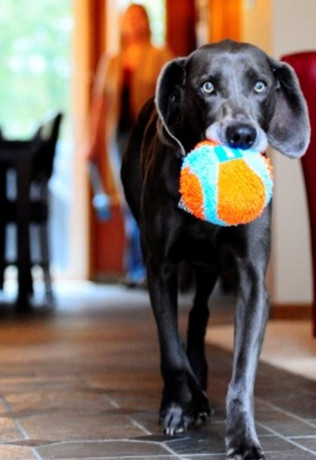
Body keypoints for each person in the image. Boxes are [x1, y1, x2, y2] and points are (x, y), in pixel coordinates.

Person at [87, 3, 174, 287]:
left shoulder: (161, 55)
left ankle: (154, 266)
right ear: (123, 24)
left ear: (147, 23)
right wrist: (91, 142)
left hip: (151, 136)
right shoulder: (111, 61)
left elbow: (175, 95)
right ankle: (135, 267)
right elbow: (100, 104)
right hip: (120, 138)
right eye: (130, 18)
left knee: (151, 198)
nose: (134, 23)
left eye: (140, 18)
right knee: (128, 200)